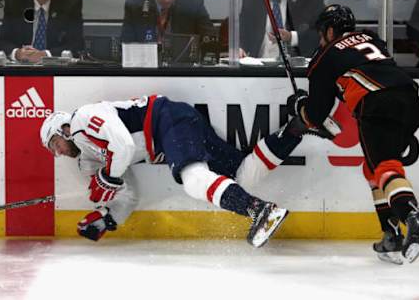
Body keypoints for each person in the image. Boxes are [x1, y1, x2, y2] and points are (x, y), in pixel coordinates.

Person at [40, 95, 327, 246]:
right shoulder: (87, 161)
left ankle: (259, 210)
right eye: (53, 151)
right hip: (175, 128)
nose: (58, 153)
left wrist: (108, 178)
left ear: (62, 128)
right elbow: (127, 195)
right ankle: (295, 129)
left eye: (54, 143)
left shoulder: (82, 119)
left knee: (192, 180)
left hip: (166, 120)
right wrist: (108, 218)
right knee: (241, 174)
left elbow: (124, 146)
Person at [287, 5, 419, 264]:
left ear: (330, 30)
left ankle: (414, 218)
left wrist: (298, 104)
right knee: (372, 169)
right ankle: (391, 236)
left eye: (322, 33)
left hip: (378, 103)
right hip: (411, 100)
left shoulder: (325, 56)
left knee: (384, 167)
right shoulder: (372, 38)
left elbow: (316, 114)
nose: (321, 39)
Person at [0, 0, 84, 63]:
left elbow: (76, 43)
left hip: (55, 67)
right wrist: (17, 53)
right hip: (21, 65)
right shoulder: (15, 1)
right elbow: (3, 40)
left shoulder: (71, 2)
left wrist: (46, 54)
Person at [239, 0, 325, 58]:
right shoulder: (251, 1)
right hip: (258, 68)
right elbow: (242, 37)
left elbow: (320, 34)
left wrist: (291, 37)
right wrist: (240, 49)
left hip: (295, 69)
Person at [121, 0, 214, 44]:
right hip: (146, 68)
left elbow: (210, 38)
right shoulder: (134, 6)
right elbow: (126, 42)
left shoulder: (194, 4)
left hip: (182, 67)